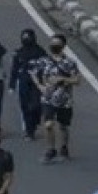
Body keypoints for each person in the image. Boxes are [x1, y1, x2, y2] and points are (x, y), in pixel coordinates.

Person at [33, 33, 80, 163]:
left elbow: (77, 80)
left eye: (57, 44)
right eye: (52, 43)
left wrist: (63, 79)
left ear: (63, 46)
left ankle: (64, 147)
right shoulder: (43, 61)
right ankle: (50, 149)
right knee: (48, 124)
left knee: (63, 126)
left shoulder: (69, 63)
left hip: (65, 100)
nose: (54, 46)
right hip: (48, 99)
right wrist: (40, 86)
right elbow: (34, 73)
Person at [9, 29, 47, 140]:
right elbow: (14, 69)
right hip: (23, 83)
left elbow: (46, 68)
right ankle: (29, 131)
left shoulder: (41, 52)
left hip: (37, 83)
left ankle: (34, 122)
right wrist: (11, 85)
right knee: (25, 106)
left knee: (36, 106)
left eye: (28, 37)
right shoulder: (19, 53)